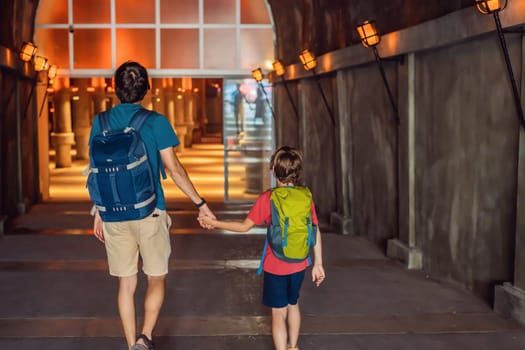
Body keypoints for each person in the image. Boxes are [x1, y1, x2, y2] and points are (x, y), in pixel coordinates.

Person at [89, 61, 215, 350]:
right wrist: (200, 203)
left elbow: (96, 167)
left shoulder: (101, 121)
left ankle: (129, 342)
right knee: (156, 277)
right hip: (151, 210)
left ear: (115, 88)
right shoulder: (156, 122)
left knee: (126, 283)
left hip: (113, 214)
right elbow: (174, 169)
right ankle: (144, 338)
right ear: (146, 89)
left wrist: (98, 210)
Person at [199, 145, 325, 350]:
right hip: (300, 263)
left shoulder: (268, 198)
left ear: (274, 171)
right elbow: (315, 230)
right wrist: (318, 263)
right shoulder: (306, 196)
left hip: (275, 265)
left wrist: (215, 223)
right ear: (297, 172)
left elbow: (243, 227)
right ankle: (293, 347)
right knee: (293, 305)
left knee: (278, 313)